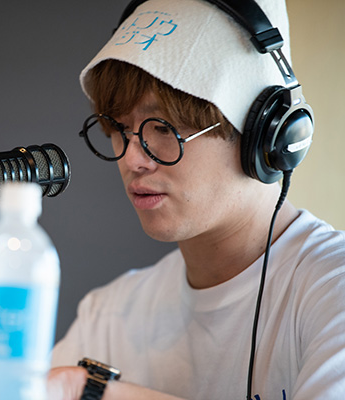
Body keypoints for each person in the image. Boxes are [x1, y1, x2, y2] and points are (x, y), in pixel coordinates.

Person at [47, 0, 345, 399]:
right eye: (119, 127)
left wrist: (94, 391)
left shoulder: (332, 290)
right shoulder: (107, 315)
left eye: (163, 127)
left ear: (267, 136)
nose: (132, 160)